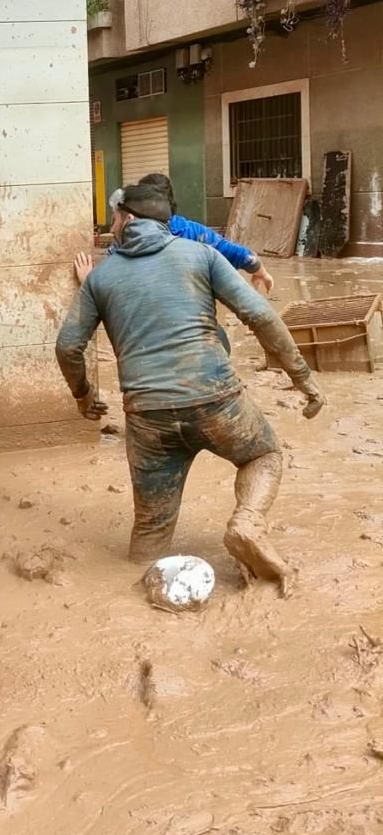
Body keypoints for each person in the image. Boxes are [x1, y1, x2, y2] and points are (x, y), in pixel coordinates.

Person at [55, 182, 324, 587]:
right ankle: (248, 522)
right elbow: (261, 316)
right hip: (218, 401)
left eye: (114, 216)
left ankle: (143, 586)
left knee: (149, 536)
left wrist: (84, 396)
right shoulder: (202, 254)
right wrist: (303, 378)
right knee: (264, 456)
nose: (111, 223)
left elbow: (68, 346)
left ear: (128, 219)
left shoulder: (101, 277)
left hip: (148, 418)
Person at [75, 172, 274, 296]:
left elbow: (108, 286)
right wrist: (261, 272)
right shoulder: (194, 233)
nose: (111, 228)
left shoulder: (126, 239)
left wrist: (88, 282)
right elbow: (241, 255)